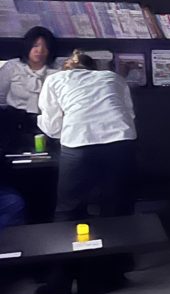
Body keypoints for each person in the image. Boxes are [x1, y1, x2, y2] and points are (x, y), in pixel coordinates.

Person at [37, 50, 137, 220]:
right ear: (94, 68)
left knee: (69, 206)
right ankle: (121, 237)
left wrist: (62, 131)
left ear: (65, 68)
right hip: (121, 141)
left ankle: (70, 236)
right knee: (119, 205)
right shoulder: (113, 77)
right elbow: (129, 114)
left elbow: (52, 126)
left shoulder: (54, 79)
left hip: (79, 141)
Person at [0, 26, 58, 147]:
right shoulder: (12, 66)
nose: (40, 51)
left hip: (46, 119)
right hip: (14, 119)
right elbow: (1, 96)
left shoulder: (57, 70)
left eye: (45, 47)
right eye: (35, 46)